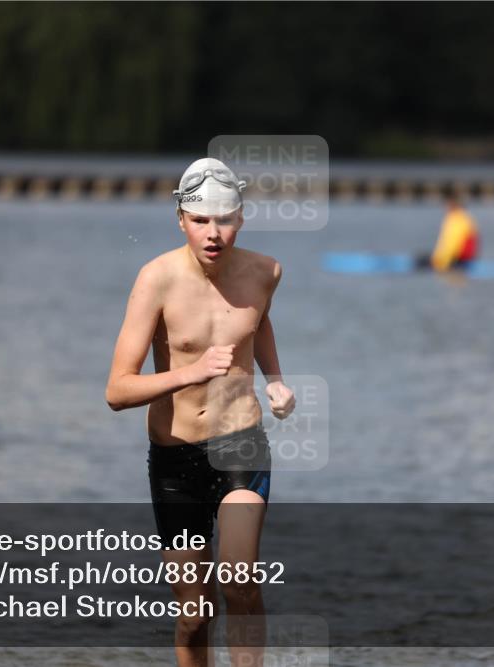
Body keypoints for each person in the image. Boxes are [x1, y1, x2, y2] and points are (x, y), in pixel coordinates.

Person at [106, 157, 295, 667]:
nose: (214, 233)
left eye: (225, 220)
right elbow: (117, 391)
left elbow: (257, 324)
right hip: (175, 460)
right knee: (194, 613)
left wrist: (275, 379)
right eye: (201, 221)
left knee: (239, 583)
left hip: (240, 444)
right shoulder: (156, 280)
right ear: (181, 220)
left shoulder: (266, 272)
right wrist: (187, 373)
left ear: (241, 218)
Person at [417, 197, 479, 271]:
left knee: (420, 262)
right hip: (467, 259)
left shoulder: (455, 219)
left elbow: (451, 244)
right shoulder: (467, 218)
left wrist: (439, 261)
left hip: (458, 260)